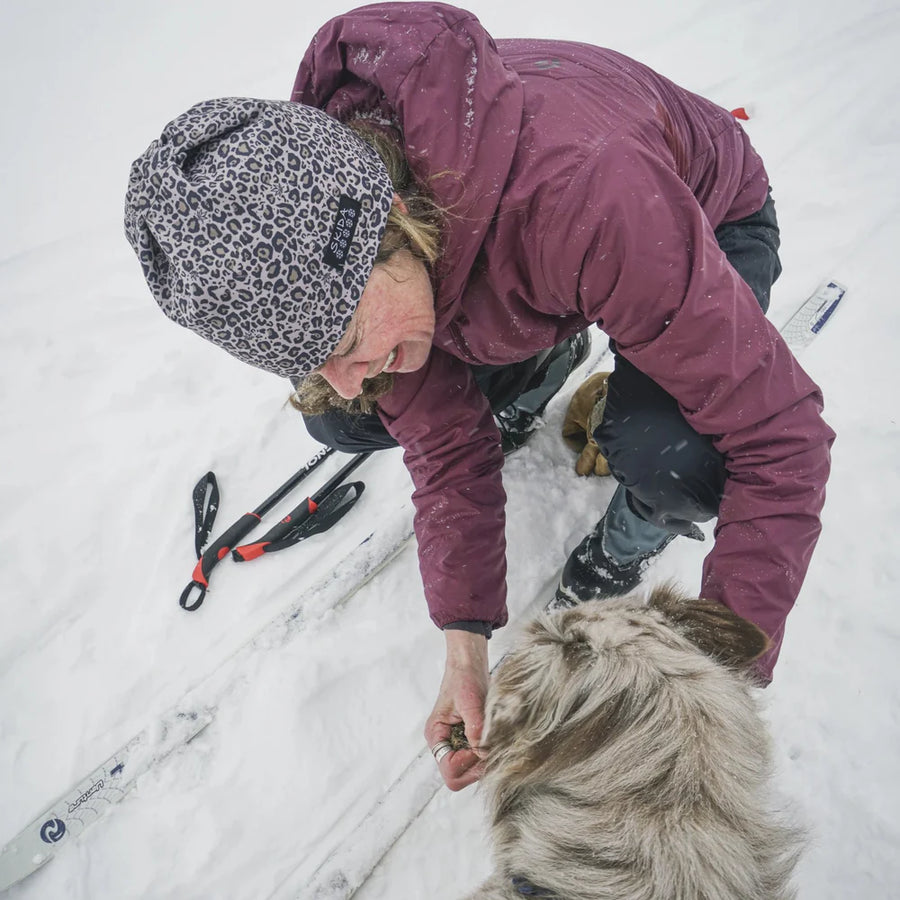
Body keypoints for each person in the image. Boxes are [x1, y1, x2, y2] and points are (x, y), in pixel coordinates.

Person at [124, 2, 834, 793]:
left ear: (392, 219)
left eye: (346, 342)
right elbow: (445, 443)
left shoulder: (585, 195)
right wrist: (466, 646)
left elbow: (778, 437)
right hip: (508, 264)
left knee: (680, 457)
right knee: (341, 417)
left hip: (697, 219)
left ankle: (632, 534)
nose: (354, 374)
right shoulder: (367, 246)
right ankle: (545, 349)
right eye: (317, 359)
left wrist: (714, 690)